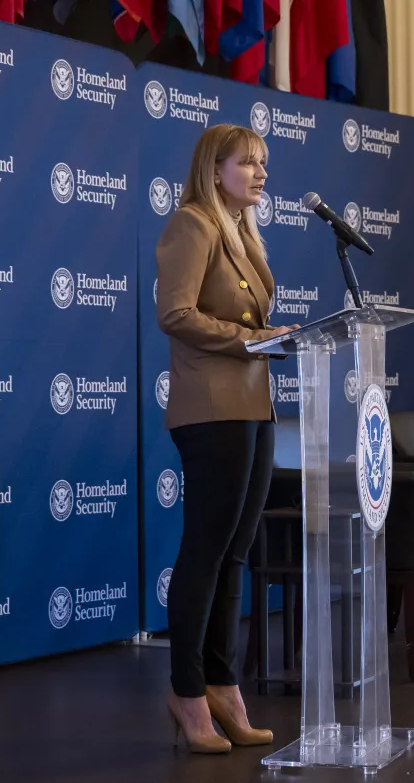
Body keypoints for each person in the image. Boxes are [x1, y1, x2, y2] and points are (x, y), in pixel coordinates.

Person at [154, 124, 297, 754]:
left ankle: (223, 687)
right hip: (211, 409)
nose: (261, 173)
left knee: (236, 553)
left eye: (265, 163)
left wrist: (274, 335)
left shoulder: (243, 233)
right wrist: (250, 341)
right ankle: (187, 693)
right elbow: (175, 313)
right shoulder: (193, 223)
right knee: (205, 551)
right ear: (216, 170)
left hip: (254, 407)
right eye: (248, 163)